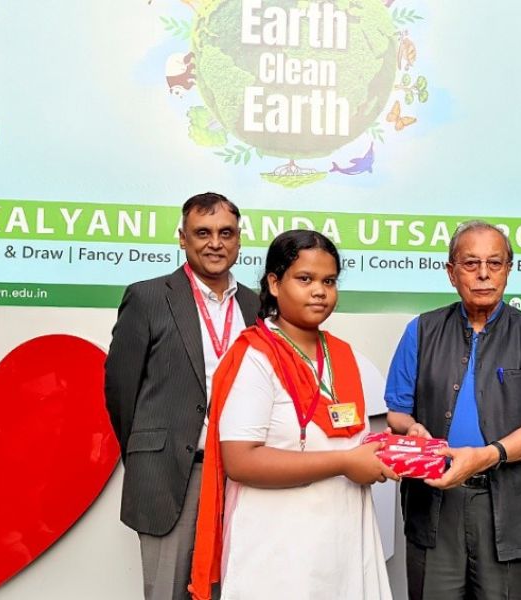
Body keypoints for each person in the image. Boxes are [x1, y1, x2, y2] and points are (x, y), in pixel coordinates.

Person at [188, 230, 395, 600]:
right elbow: (240, 461)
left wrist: (405, 450)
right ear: (274, 282)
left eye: (328, 281)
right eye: (305, 279)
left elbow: (351, 439)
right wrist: (345, 462)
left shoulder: (344, 355)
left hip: (343, 539)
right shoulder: (254, 358)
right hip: (277, 547)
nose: (319, 291)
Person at [385, 220, 521, 600]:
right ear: (451, 272)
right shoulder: (420, 331)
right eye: (471, 264)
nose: (484, 274)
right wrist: (412, 429)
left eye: (495, 263)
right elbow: (397, 413)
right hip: (436, 504)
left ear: (509, 269)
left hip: (513, 510)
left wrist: (485, 457)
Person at [105, 192, 259, 600]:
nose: (215, 243)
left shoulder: (258, 305)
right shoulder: (149, 297)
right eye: (202, 233)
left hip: (242, 474)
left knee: (237, 587)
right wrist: (147, 453)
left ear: (239, 240)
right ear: (182, 239)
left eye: (226, 233)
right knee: (168, 593)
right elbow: (121, 389)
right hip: (173, 472)